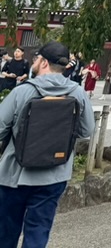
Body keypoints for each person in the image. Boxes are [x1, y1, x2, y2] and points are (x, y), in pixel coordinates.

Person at [0, 42, 95, 248]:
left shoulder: (22, 91)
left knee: (6, 231)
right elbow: (86, 131)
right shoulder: (77, 93)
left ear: (43, 62)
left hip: (15, 175)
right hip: (55, 174)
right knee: (38, 231)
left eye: (36, 59)